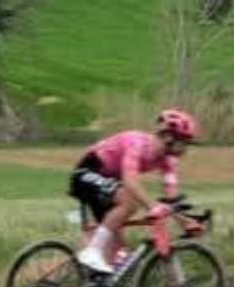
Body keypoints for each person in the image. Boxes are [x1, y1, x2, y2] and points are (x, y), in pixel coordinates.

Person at [71, 109, 202, 277]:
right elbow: (130, 181)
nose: (185, 148)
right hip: (87, 171)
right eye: (184, 141)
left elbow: (171, 201)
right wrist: (152, 206)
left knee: (120, 256)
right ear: (169, 137)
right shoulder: (137, 143)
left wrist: (185, 221)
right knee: (129, 202)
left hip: (108, 181)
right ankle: (92, 251)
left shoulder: (167, 161)